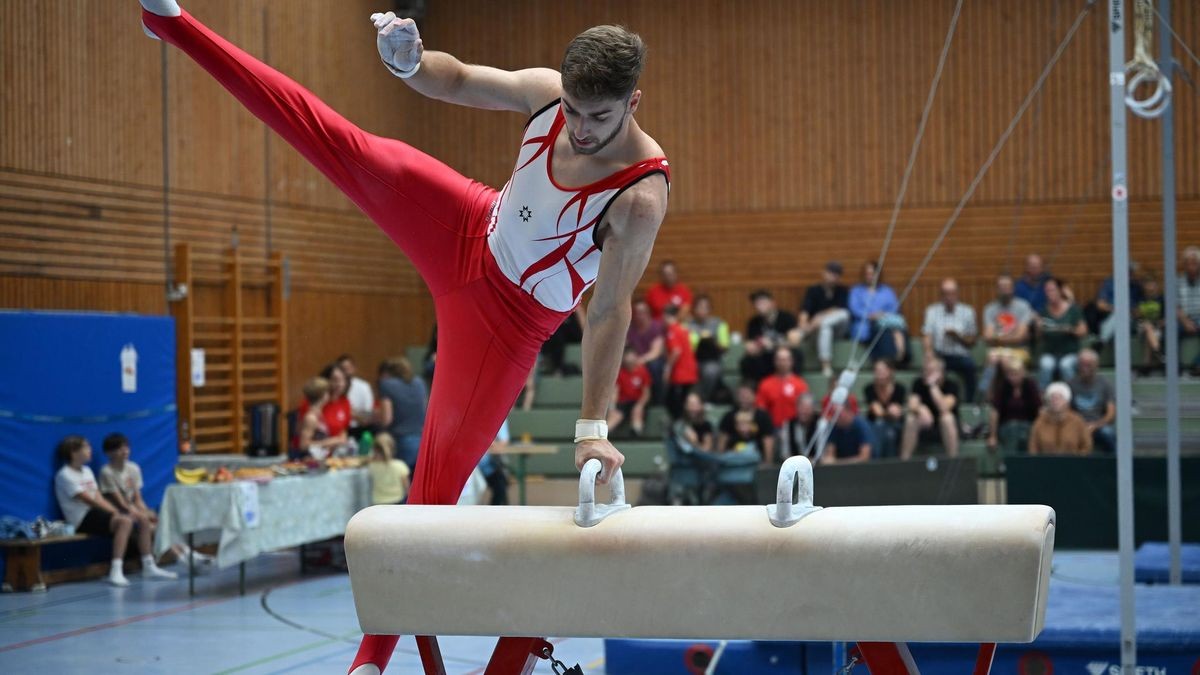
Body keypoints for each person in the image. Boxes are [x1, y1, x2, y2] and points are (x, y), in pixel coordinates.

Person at [140, 4, 671, 664]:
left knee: (430, 495)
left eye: (600, 116)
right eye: (573, 110)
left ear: (633, 102)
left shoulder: (640, 194)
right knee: (336, 140)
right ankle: (172, 22)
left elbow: (611, 310)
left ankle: (370, 658)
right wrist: (411, 63)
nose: (582, 129)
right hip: (463, 223)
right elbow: (454, 82)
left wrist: (593, 429)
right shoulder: (545, 96)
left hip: (505, 327)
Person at [55, 436, 177, 586]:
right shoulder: (64, 475)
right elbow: (89, 500)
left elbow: (98, 497)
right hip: (81, 518)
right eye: (85, 447)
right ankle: (116, 570)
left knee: (143, 519)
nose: (90, 450)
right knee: (124, 522)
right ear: (74, 453)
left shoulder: (87, 471)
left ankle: (149, 564)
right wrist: (117, 514)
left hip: (96, 513)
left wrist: (117, 512)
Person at [99, 432, 212, 566]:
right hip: (119, 513)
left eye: (126, 447)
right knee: (154, 529)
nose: (125, 451)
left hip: (134, 510)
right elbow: (120, 503)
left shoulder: (133, 468)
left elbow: (137, 498)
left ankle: (189, 554)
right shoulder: (107, 472)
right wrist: (141, 515)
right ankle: (182, 559)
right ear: (109, 453)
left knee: (161, 524)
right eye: (120, 449)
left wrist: (146, 511)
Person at [922, 278, 978, 401]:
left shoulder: (967, 312)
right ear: (941, 295)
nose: (949, 297)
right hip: (940, 355)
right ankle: (932, 403)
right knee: (930, 368)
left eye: (952, 293)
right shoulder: (932, 311)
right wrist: (929, 354)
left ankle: (970, 403)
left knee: (970, 367)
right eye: (945, 293)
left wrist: (957, 336)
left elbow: (972, 341)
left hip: (960, 355)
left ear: (957, 294)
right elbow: (927, 335)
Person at [979, 275, 1034, 398]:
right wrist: (1011, 335)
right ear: (997, 290)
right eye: (1001, 287)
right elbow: (987, 336)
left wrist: (998, 336)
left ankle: (1009, 397)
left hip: (1020, 350)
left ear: (1013, 289)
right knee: (992, 358)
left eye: (1007, 287)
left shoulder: (1023, 306)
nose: (1004, 290)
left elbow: (1020, 337)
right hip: (997, 351)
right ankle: (987, 399)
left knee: (1004, 360)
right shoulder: (990, 309)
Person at [797, 261, 851, 377]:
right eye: (831, 273)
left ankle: (820, 324)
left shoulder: (843, 290)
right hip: (819, 331)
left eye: (836, 274)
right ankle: (826, 365)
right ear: (824, 273)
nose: (833, 277)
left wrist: (820, 317)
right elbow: (805, 311)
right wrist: (803, 324)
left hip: (839, 329)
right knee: (825, 328)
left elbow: (841, 309)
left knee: (844, 314)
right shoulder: (813, 290)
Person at [849, 261, 907, 364]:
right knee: (882, 331)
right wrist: (870, 316)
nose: (870, 277)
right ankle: (886, 360)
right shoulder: (856, 291)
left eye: (872, 274)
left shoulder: (887, 290)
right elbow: (854, 309)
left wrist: (882, 315)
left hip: (885, 322)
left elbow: (894, 308)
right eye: (867, 274)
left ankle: (901, 356)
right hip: (865, 324)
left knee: (896, 329)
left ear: (878, 275)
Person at [375, 357, 428, 470]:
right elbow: (425, 410)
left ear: (387, 373)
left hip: (400, 441)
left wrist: (374, 417)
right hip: (421, 440)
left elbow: (386, 419)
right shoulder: (420, 383)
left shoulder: (386, 384)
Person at [901, 357, 960, 458]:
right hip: (925, 424)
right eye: (925, 370)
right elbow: (912, 405)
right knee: (911, 419)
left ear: (941, 372)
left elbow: (944, 407)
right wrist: (920, 409)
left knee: (947, 418)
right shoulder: (918, 383)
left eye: (931, 371)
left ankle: (953, 460)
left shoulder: (951, 385)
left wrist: (933, 386)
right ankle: (904, 459)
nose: (926, 373)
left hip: (944, 426)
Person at [1036, 277, 1087, 389]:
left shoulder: (1073, 309)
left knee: (1065, 365)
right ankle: (1042, 396)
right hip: (1050, 352)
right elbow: (1038, 337)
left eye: (1052, 290)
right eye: (1047, 291)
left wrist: (1071, 330)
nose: (1050, 293)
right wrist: (1038, 328)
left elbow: (1083, 331)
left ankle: (1073, 394)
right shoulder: (1043, 311)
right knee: (1046, 365)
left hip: (1070, 352)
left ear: (1060, 291)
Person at [986, 359, 1041, 456]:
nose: (1013, 377)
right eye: (1010, 374)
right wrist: (992, 436)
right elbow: (995, 412)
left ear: (1023, 373)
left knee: (1026, 433)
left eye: (1016, 374)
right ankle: (1011, 463)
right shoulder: (1003, 386)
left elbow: (1039, 409)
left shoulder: (1030, 385)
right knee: (1013, 428)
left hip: (1028, 425)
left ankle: (1027, 465)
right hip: (1006, 426)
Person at [1068, 349, 1117, 454]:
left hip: (1098, 425)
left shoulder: (1105, 384)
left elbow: (1111, 414)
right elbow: (1066, 410)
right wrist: (1080, 425)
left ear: (1096, 365)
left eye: (1088, 365)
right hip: (1076, 425)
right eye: (1082, 365)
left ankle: (1115, 464)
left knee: (1108, 433)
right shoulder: (1071, 384)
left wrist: (1095, 425)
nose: (1085, 368)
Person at [686, 294, 731, 402]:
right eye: (699, 307)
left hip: (713, 360)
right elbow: (685, 346)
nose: (702, 310)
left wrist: (711, 341)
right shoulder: (687, 325)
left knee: (711, 371)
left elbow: (724, 347)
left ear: (710, 309)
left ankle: (702, 400)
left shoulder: (719, 324)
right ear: (694, 309)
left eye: (705, 307)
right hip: (692, 360)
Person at [1029, 383, 1092, 455]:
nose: (1055, 401)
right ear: (1048, 402)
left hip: (1072, 464)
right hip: (1046, 464)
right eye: (1052, 398)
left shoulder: (1078, 421)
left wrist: (1078, 460)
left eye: (1059, 398)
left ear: (1067, 401)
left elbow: (1087, 446)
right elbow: (1033, 447)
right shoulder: (1039, 422)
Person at [717, 383, 776, 460]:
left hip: (756, 460)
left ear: (754, 396)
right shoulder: (728, 417)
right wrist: (720, 460)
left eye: (747, 395)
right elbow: (722, 440)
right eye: (741, 395)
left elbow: (768, 441)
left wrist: (768, 463)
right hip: (732, 460)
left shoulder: (763, 417)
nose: (744, 398)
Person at [755, 347, 809, 429]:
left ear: (791, 362)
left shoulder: (800, 384)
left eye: (785, 360)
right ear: (774, 361)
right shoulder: (765, 384)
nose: (782, 363)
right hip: (772, 428)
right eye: (779, 360)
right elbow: (761, 409)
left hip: (794, 428)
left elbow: (805, 409)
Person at [863, 359, 906, 458]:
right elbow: (877, 412)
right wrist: (889, 412)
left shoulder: (900, 389)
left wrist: (888, 413)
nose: (879, 374)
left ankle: (890, 465)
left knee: (890, 433)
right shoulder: (869, 389)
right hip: (873, 424)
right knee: (880, 426)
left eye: (883, 371)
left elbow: (896, 413)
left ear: (891, 371)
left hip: (895, 424)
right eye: (877, 371)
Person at [298, 377, 349, 459]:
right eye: (328, 392)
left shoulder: (319, 414)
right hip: (310, 462)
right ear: (323, 395)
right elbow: (303, 445)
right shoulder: (311, 418)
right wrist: (331, 441)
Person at [663, 305, 699, 419]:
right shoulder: (682, 329)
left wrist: (668, 367)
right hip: (689, 370)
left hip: (680, 372)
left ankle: (679, 425)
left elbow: (676, 351)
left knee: (675, 404)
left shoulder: (672, 330)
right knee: (683, 402)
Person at [608, 347, 652, 437]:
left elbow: (646, 393)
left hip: (637, 402)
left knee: (637, 412)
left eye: (631, 360)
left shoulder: (643, 371)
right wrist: (612, 407)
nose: (630, 363)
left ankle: (637, 434)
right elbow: (615, 391)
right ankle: (603, 435)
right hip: (623, 402)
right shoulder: (620, 372)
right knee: (615, 416)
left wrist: (640, 405)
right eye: (627, 361)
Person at [627, 299, 667, 400]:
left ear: (648, 313)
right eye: (637, 313)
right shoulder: (630, 329)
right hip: (635, 361)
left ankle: (657, 400)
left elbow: (656, 352)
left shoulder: (656, 327)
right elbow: (626, 348)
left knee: (654, 366)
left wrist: (639, 361)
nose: (640, 316)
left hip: (651, 360)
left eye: (642, 312)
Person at [818, 395, 873, 465]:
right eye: (834, 414)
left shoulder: (861, 426)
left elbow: (864, 458)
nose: (835, 418)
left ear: (848, 411)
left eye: (838, 414)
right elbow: (830, 456)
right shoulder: (835, 427)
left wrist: (837, 462)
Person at [368, 432, 411, 505]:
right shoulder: (400, 466)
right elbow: (407, 488)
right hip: (397, 502)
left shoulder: (371, 466)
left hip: (377, 503)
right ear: (393, 448)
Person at [777, 393, 820, 463]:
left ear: (813, 409)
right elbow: (785, 453)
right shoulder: (788, 425)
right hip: (794, 467)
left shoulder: (820, 424)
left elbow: (822, 453)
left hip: (817, 466)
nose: (804, 411)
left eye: (807, 408)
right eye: (801, 407)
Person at [338, 354, 376, 430]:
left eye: (348, 368)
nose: (346, 371)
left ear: (354, 368)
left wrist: (351, 413)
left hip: (359, 427)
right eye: (343, 369)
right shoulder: (336, 387)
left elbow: (368, 414)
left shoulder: (364, 386)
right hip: (340, 427)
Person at [1136, 276, 1166, 373]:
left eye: (1152, 285)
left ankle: (1146, 364)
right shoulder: (1140, 299)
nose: (1150, 288)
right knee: (1147, 326)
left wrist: (1160, 323)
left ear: (1156, 287)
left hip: (1158, 328)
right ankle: (1158, 353)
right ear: (1144, 287)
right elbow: (1136, 317)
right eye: (1148, 285)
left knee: (1149, 335)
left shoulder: (1161, 299)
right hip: (1142, 326)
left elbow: (1166, 317)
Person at [1178, 246, 1200, 374]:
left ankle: (1198, 365)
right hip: (1182, 318)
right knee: (1171, 330)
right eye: (1189, 263)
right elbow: (1175, 306)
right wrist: (1185, 321)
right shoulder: (1177, 281)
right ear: (1184, 265)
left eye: (1194, 263)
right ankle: (1175, 368)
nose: (1192, 267)